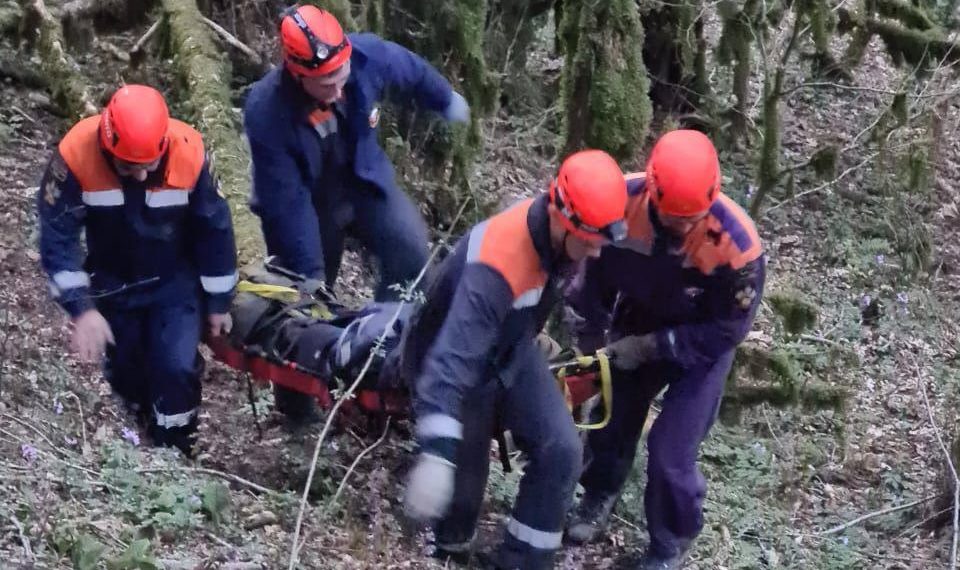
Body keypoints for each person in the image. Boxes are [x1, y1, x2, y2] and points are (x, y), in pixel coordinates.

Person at [401, 150, 629, 569]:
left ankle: (524, 562)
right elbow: (449, 360)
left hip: (510, 352)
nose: (595, 254)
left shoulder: (564, 241)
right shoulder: (499, 260)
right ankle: (451, 551)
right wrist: (436, 451)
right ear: (564, 219)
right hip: (455, 365)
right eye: (591, 243)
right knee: (460, 500)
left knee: (560, 450)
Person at [563, 130, 766, 569]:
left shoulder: (737, 246)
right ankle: (599, 491)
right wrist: (591, 339)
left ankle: (669, 542)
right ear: (652, 191)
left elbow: (728, 329)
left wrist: (656, 347)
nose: (681, 230)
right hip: (638, 316)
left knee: (672, 449)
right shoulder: (618, 205)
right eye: (673, 219)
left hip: (702, 345)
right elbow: (591, 277)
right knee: (612, 420)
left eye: (691, 220)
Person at [37, 84, 238, 457]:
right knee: (128, 373)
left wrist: (219, 303)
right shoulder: (77, 154)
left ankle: (177, 451)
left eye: (149, 165)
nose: (141, 176)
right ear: (108, 145)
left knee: (176, 367)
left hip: (174, 280)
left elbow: (216, 230)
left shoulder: (189, 152)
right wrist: (83, 309)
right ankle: (140, 433)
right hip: (113, 280)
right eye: (130, 167)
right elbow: (58, 236)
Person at [243, 4, 470, 301]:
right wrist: (311, 279)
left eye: (341, 79)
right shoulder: (267, 111)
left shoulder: (365, 57)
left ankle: (387, 331)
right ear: (298, 75)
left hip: (364, 181)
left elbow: (408, 69)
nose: (338, 92)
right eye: (326, 84)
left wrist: (444, 98)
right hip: (311, 204)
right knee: (309, 289)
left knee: (411, 252)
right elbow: (288, 206)